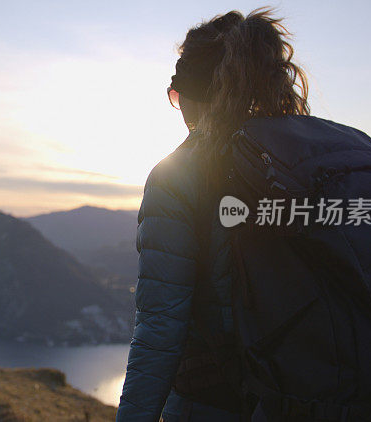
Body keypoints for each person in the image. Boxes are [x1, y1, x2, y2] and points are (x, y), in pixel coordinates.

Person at [116, 7, 310, 421]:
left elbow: (159, 330)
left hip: (218, 403)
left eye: (175, 95)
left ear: (191, 97)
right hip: (314, 396)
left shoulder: (180, 173)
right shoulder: (308, 153)